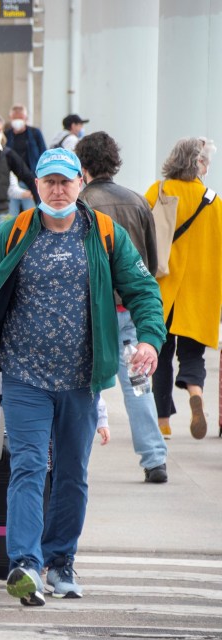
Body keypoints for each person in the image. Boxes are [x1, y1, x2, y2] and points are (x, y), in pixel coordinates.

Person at [0, 148, 165, 605]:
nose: (56, 190)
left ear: (80, 183)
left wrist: (149, 338)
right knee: (29, 466)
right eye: (48, 181)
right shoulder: (14, 232)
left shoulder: (105, 234)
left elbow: (144, 289)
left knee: (72, 474)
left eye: (65, 181)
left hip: (82, 378)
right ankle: (25, 564)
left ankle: (61, 561)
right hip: (25, 374)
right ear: (36, 187)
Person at [76, 132, 168, 482]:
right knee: (138, 382)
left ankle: (75, 460)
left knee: (85, 388)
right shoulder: (136, 200)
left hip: (92, 311)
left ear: (82, 166)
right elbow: (153, 261)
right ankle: (154, 459)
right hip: (128, 310)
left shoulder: (81, 203)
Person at [145, 137, 222, 441]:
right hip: (200, 290)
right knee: (193, 355)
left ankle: (163, 422)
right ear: (199, 163)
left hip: (163, 286)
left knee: (160, 355)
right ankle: (195, 392)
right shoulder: (214, 201)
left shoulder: (159, 190)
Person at [3, 104, 46, 217]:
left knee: (30, 213)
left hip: (30, 177)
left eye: (20, 118)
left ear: (26, 118)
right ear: (10, 118)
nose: (17, 120)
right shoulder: (7, 135)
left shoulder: (34, 133)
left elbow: (43, 152)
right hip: (12, 179)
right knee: (11, 215)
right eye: (15, 118)